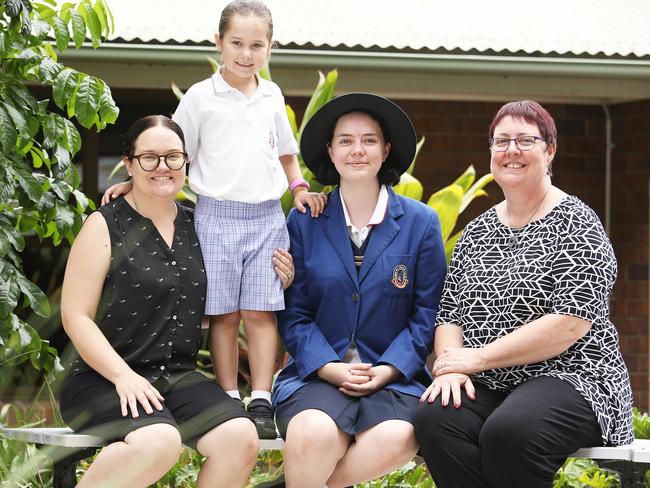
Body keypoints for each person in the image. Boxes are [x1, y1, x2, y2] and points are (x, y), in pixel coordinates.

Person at [102, 0, 327, 438]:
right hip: (215, 217)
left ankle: (261, 398)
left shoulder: (271, 96)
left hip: (266, 218)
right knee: (224, 315)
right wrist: (135, 182)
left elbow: (285, 152)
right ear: (219, 43)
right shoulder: (201, 98)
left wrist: (299, 188)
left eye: (256, 45)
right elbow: (172, 149)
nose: (246, 53)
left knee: (261, 312)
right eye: (237, 43)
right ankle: (228, 397)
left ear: (270, 48)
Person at [59, 115, 295, 488]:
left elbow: (214, 307)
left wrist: (276, 278)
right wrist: (124, 377)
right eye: (149, 158)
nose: (162, 166)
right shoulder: (104, 225)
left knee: (240, 437)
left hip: (176, 376)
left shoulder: (200, 225)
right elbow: (76, 316)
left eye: (173, 156)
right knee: (158, 441)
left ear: (187, 161)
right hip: (103, 378)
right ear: (130, 163)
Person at [414, 100, 634, 488]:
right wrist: (450, 365)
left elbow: (569, 323)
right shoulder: (478, 232)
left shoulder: (577, 224)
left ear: (550, 151)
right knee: (436, 418)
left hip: (573, 377)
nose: (511, 150)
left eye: (525, 140)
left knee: (510, 431)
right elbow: (450, 314)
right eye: (501, 141)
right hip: (492, 381)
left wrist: (476, 359)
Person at [269, 93, 447, 488]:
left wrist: (387, 369)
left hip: (393, 378)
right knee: (310, 435)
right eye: (345, 141)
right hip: (316, 375)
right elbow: (294, 314)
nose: (357, 150)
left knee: (399, 436)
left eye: (369, 140)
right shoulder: (303, 222)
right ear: (330, 152)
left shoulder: (421, 223)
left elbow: (427, 315)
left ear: (386, 151)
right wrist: (329, 367)